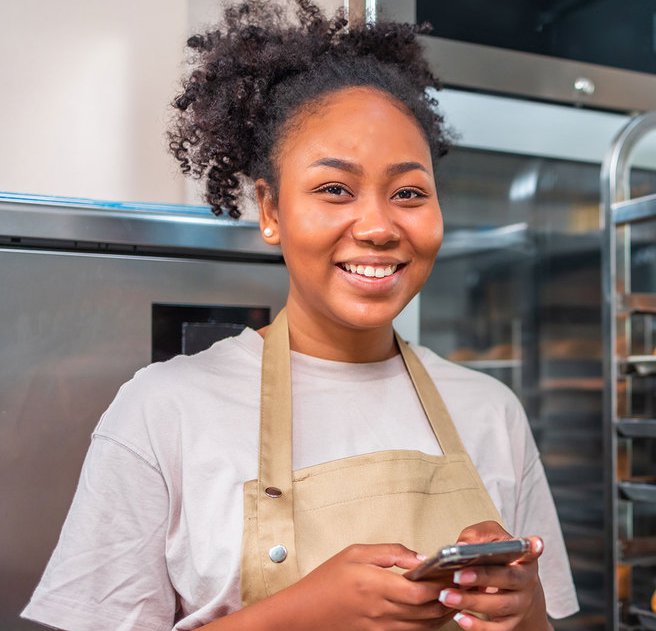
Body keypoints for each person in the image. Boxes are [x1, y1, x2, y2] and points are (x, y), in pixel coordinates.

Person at [21, 1, 578, 629]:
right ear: (271, 210)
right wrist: (304, 613)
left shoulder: (491, 411)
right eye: (334, 189)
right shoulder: (163, 412)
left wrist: (523, 609)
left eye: (409, 193)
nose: (378, 226)